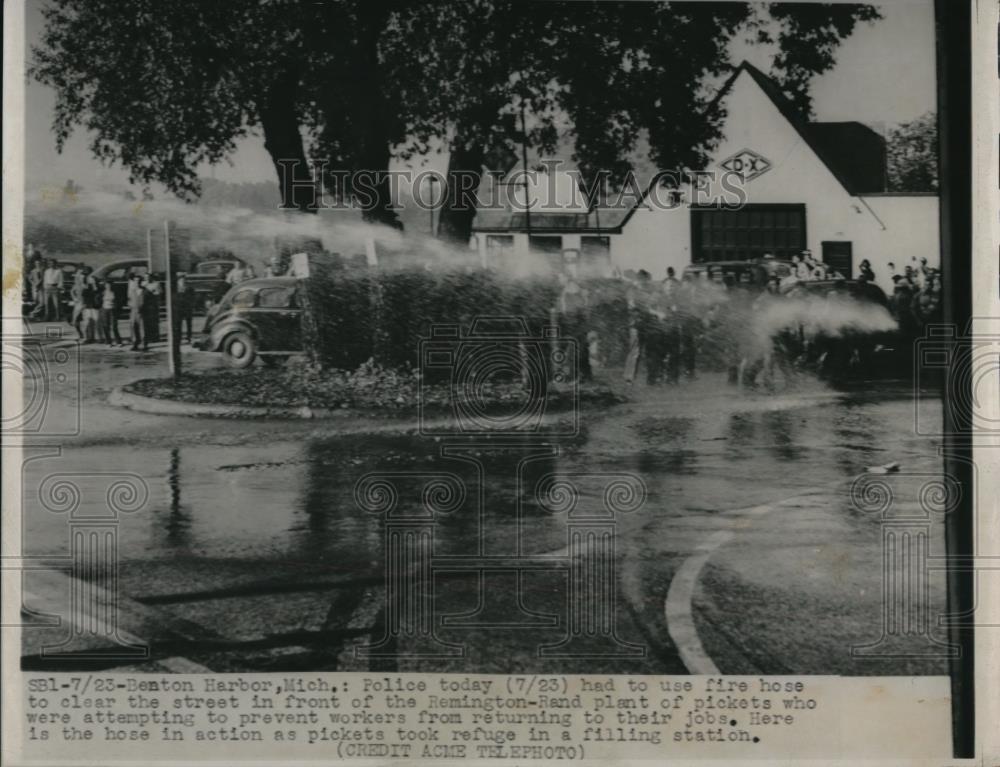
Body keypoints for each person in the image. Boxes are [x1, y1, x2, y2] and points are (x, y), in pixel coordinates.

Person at [98, 279, 123, 346]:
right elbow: (98, 300)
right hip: (105, 310)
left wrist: (117, 308)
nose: (108, 286)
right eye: (107, 285)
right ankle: (108, 341)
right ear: (105, 286)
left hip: (113, 310)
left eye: (110, 285)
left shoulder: (115, 292)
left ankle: (118, 341)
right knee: (106, 326)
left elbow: (119, 301)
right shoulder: (102, 293)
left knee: (114, 326)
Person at [175, 273, 196, 344]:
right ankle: (179, 338)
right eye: (181, 279)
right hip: (179, 308)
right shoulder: (175, 288)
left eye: (184, 279)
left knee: (189, 323)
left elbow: (193, 297)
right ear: (178, 280)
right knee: (178, 324)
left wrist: (192, 305)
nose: (183, 280)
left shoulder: (189, 287)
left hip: (187, 308)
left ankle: (189, 337)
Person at [128, 273, 146, 351]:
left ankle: (143, 343)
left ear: (141, 282)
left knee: (142, 328)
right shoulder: (132, 291)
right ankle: (134, 343)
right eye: (135, 281)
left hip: (142, 312)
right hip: (133, 311)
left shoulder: (144, 290)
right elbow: (129, 301)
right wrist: (131, 305)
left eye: (138, 281)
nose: (137, 282)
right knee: (133, 326)